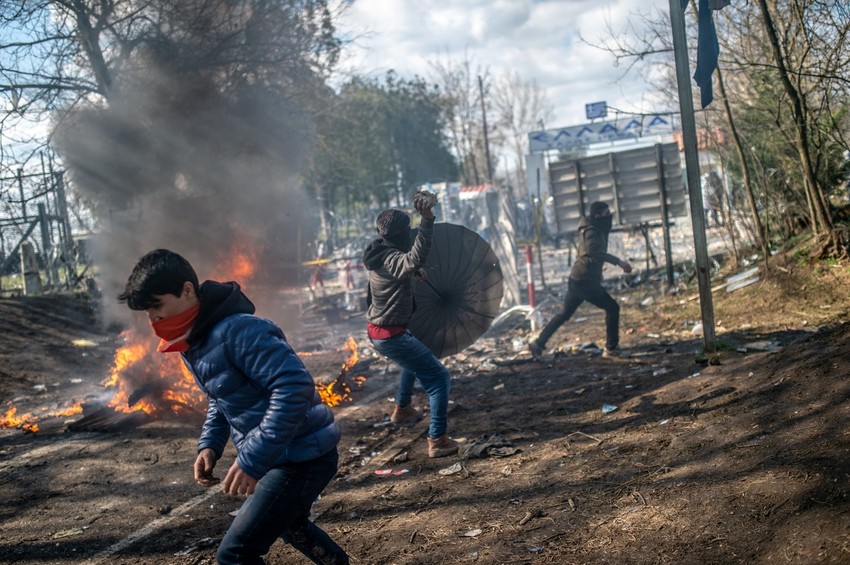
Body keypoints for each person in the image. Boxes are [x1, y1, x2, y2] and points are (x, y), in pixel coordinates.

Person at [119, 249, 349, 565]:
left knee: (234, 556)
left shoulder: (239, 331)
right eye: (146, 311)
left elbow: (294, 389)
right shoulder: (196, 340)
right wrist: (210, 446)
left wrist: (252, 460)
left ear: (187, 290)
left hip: (303, 456)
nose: (153, 318)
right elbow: (222, 396)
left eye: (157, 305)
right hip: (281, 454)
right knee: (289, 525)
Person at [362, 197, 459, 458]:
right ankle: (437, 439)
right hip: (391, 334)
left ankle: (402, 408)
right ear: (403, 234)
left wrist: (411, 273)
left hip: (379, 330)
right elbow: (412, 258)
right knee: (439, 378)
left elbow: (401, 267)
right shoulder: (394, 259)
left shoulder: (378, 252)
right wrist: (427, 219)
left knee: (413, 359)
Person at [529, 201, 632, 359]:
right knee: (612, 308)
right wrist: (619, 262)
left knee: (564, 314)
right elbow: (593, 252)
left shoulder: (595, 228)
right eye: (606, 214)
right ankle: (611, 348)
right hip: (585, 281)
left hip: (578, 279)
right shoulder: (592, 231)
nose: (609, 217)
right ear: (597, 216)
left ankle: (538, 343)